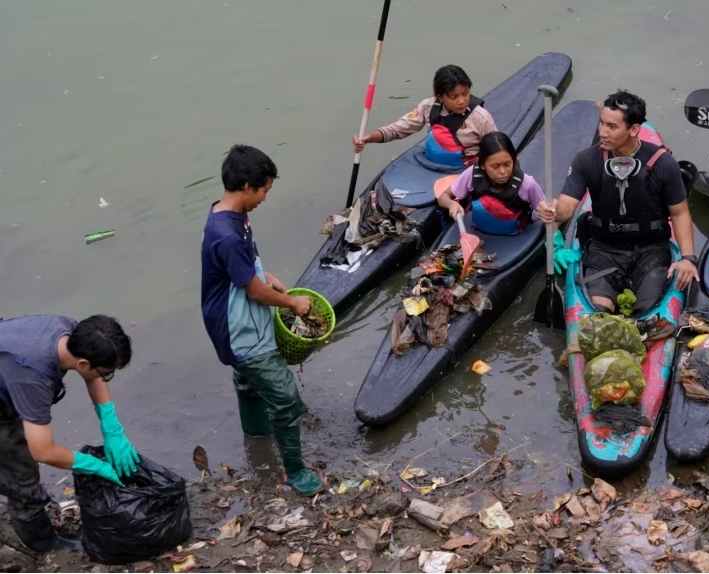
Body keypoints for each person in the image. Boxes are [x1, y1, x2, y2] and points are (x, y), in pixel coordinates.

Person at [200, 145, 324, 497]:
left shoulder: (227, 215)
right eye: (264, 190)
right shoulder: (226, 235)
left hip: (231, 318)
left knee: (248, 383)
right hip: (240, 329)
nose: (265, 198)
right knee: (285, 398)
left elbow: (243, 267)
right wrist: (292, 303)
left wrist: (263, 273)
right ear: (246, 186)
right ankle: (296, 473)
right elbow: (254, 294)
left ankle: (256, 438)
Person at [536, 90, 699, 315]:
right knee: (600, 309)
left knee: (644, 310)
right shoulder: (586, 160)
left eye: (612, 127)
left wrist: (688, 259)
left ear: (634, 130)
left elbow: (680, 213)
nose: (602, 132)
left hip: (651, 250)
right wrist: (552, 209)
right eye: (602, 123)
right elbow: (565, 208)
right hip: (604, 249)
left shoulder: (664, 163)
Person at [0, 314, 136, 553]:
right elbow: (43, 450)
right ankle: (42, 543)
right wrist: (93, 464)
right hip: (9, 385)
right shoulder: (33, 377)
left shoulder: (69, 330)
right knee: (21, 471)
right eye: (107, 373)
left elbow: (94, 374)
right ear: (83, 364)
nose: (106, 378)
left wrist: (112, 427)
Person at [352, 65, 498, 168]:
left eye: (465, 93)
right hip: (431, 164)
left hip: (465, 169)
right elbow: (397, 129)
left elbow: (497, 150)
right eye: (454, 96)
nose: (461, 101)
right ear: (440, 97)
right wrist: (368, 138)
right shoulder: (428, 107)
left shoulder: (481, 117)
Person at [436, 131, 546, 235]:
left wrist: (557, 244)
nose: (503, 172)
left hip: (516, 236)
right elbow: (443, 197)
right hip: (478, 231)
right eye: (495, 167)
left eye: (507, 164)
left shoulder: (527, 184)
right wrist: (451, 204)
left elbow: (547, 215)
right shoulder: (471, 174)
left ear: (515, 160)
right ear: (482, 165)